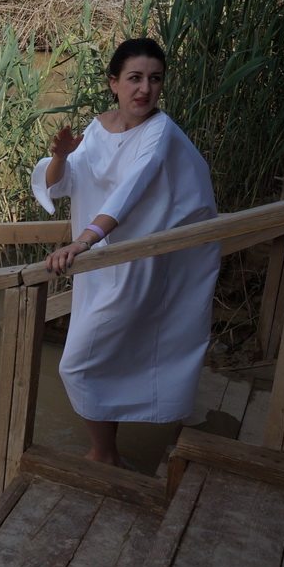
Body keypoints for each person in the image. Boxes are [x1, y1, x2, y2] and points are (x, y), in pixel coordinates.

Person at [32, 38, 219, 467]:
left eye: (155, 79)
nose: (145, 89)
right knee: (103, 357)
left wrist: (83, 241)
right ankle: (108, 453)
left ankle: (103, 455)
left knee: (77, 363)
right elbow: (62, 183)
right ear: (113, 82)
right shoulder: (97, 127)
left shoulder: (160, 133)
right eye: (135, 78)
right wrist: (60, 157)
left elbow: (130, 191)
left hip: (139, 261)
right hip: (98, 264)